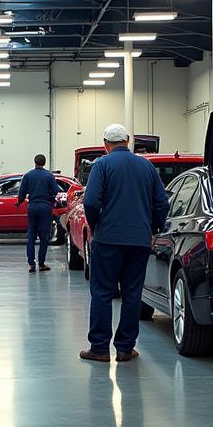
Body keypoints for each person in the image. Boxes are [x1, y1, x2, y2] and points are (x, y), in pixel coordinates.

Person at [80, 124, 169, 364]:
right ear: (128, 141)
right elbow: (162, 203)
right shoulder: (147, 166)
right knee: (132, 294)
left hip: (107, 239)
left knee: (102, 293)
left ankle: (99, 348)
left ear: (105, 144)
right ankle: (125, 348)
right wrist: (153, 228)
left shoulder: (102, 165)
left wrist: (97, 226)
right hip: (139, 241)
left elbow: (90, 201)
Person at [16, 153, 59, 273]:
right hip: (45, 207)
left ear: (34, 162)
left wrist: (19, 202)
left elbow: (22, 192)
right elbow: (55, 190)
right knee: (44, 236)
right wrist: (50, 198)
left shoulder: (28, 176)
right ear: (44, 163)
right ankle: (41, 263)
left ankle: (31, 264)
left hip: (32, 206)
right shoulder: (49, 176)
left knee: (31, 236)